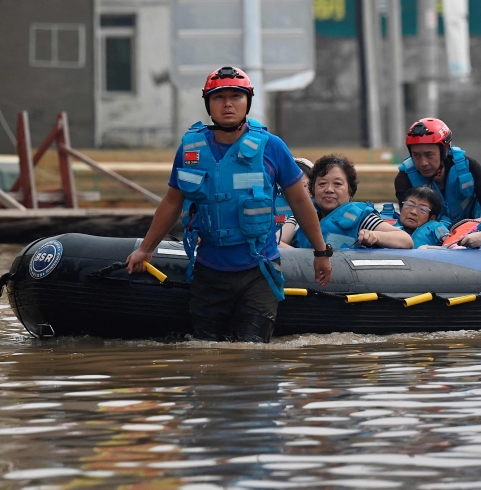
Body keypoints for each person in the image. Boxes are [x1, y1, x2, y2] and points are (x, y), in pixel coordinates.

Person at [125, 66, 333, 343]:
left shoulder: (272, 147)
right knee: (208, 356)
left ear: (247, 101)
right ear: (208, 103)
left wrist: (321, 252)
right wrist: (145, 249)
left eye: (235, 96)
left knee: (253, 355)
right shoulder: (190, 150)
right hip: (209, 271)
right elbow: (172, 202)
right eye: (218, 97)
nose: (227, 104)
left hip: (258, 270)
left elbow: (299, 201)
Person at [283, 154, 413, 250]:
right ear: (312, 190)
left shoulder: (363, 219)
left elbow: (406, 240)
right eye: (322, 184)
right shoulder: (301, 215)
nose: (329, 190)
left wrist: (375, 235)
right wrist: (304, 257)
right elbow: (276, 243)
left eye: (337, 184)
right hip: (307, 280)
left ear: (350, 192)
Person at [395, 118, 481, 223]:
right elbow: (408, 223)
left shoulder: (470, 167)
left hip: (473, 230)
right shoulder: (404, 178)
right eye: (416, 155)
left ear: (445, 150)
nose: (423, 163)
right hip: (431, 234)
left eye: (429, 155)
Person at [276, 157, 313, 241]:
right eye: (292, 185)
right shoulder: (272, 200)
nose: (298, 191)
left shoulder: (319, 204)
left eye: (305, 186)